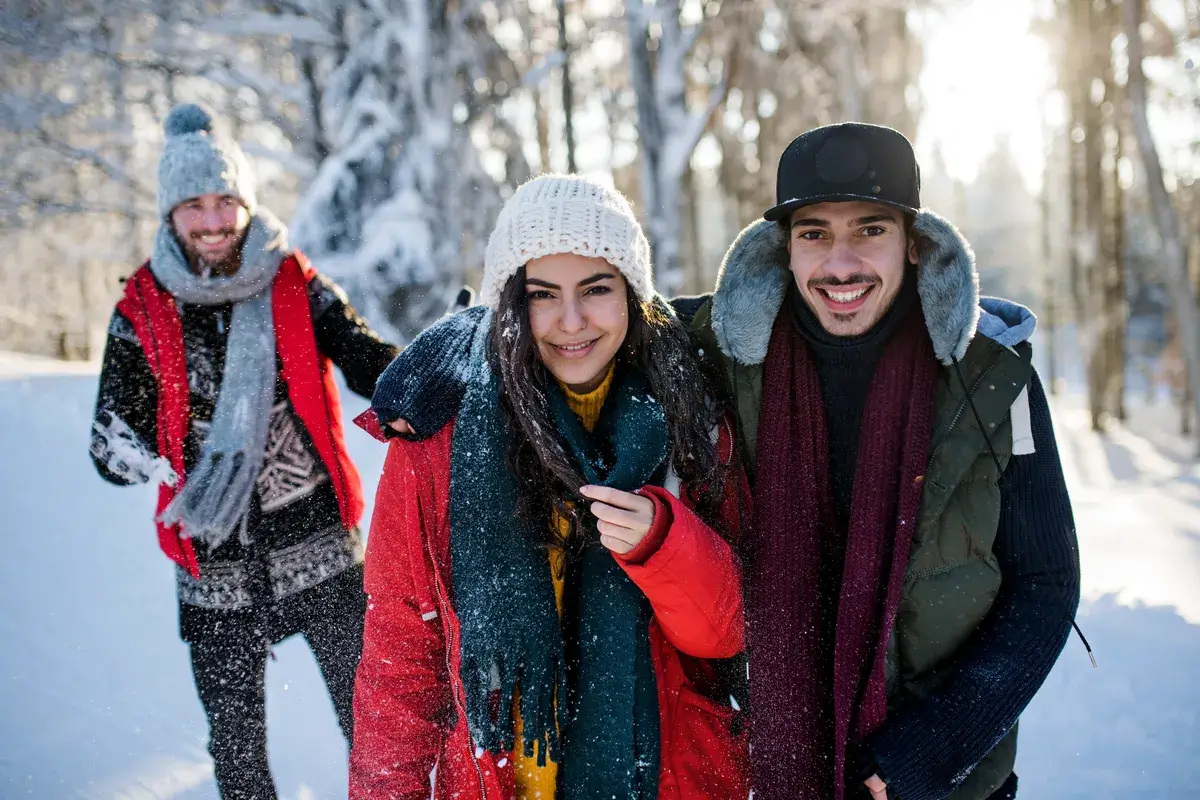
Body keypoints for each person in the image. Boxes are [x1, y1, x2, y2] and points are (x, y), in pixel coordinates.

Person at [369, 124, 1083, 800]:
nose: (841, 263)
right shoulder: (727, 354)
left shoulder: (987, 381)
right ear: (783, 248)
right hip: (780, 759)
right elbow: (584, 309)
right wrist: (456, 345)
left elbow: (1047, 587)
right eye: (814, 234)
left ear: (916, 244)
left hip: (939, 774)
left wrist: (940, 744)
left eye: (870, 230)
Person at [349, 174, 750, 799]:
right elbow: (402, 646)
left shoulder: (691, 414)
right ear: (511, 303)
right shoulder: (440, 439)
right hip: (500, 781)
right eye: (543, 294)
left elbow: (730, 631)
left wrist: (663, 544)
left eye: (596, 289)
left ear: (632, 295)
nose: (571, 322)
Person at [89, 103, 400, 800]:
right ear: (170, 214)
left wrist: (425, 372)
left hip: (320, 543)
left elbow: (362, 357)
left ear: (245, 202)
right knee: (237, 754)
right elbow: (110, 437)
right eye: (193, 205)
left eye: (224, 200)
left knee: (377, 729)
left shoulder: (290, 276)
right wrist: (131, 453)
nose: (211, 220)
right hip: (212, 561)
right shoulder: (141, 308)